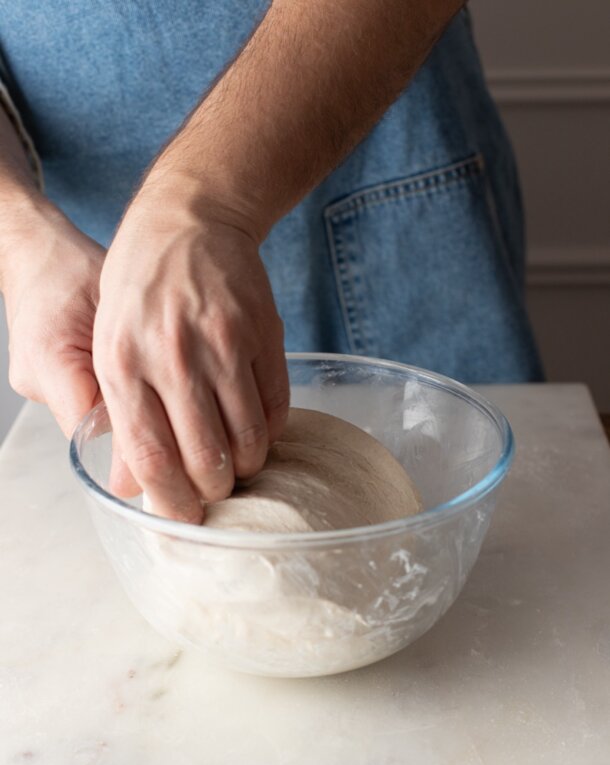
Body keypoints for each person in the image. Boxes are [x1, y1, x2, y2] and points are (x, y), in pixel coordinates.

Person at [0, 1, 542, 523]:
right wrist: (20, 234)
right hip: (104, 265)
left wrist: (196, 203)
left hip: (387, 193)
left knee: (498, 526)